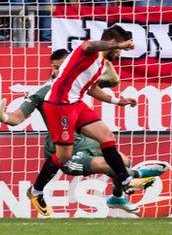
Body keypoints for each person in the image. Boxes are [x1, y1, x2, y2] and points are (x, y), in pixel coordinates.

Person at [0, 49, 166, 215]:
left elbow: (105, 83)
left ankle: (118, 197)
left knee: (123, 160)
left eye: (60, 67)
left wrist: (117, 92)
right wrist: (4, 117)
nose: (56, 72)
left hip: (87, 141)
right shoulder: (43, 91)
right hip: (66, 148)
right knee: (110, 165)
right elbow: (17, 118)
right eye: (54, 68)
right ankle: (137, 175)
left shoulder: (78, 82)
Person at [25, 25, 138, 217]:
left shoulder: (101, 64)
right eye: (119, 49)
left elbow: (92, 88)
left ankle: (125, 180)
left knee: (107, 136)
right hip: (59, 104)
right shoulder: (87, 52)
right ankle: (35, 192)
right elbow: (88, 44)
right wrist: (115, 43)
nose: (120, 53)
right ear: (111, 44)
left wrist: (117, 100)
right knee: (64, 157)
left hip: (76, 103)